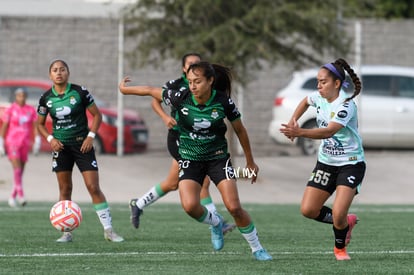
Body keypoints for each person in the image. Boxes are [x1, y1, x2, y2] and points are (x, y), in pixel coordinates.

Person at [119, 61, 272, 261]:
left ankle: (257, 248)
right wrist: (124, 90)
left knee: (234, 207)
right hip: (190, 159)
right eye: (190, 81)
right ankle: (216, 223)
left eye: (197, 81)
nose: (192, 86)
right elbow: (150, 91)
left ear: (210, 81)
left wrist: (250, 162)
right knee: (190, 206)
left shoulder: (223, 101)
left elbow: (240, 130)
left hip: (217, 158)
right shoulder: (180, 96)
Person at [128, 53, 235, 234]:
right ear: (184, 69)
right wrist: (165, 117)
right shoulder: (175, 86)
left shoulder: (207, 86)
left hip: (199, 141)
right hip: (179, 138)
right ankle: (218, 223)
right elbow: (155, 100)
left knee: (172, 183)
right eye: (190, 64)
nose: (194, 67)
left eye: (197, 64)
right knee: (203, 182)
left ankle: (138, 203)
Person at [279, 58, 366, 261]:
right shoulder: (319, 97)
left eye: (323, 82)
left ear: (337, 83)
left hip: (350, 164)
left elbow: (328, 131)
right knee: (308, 210)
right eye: (318, 81)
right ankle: (346, 222)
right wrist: (294, 120)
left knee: (338, 212)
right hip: (326, 163)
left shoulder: (346, 105)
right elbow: (305, 101)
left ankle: (339, 249)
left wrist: (299, 132)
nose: (319, 86)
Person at [37, 59, 124, 243]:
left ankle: (109, 231)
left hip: (82, 145)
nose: (59, 72)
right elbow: (39, 124)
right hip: (61, 148)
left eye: (62, 69)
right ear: (50, 75)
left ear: (68, 73)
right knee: (65, 189)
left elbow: (97, 115)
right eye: (55, 70)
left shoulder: (79, 92)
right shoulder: (46, 98)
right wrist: (51, 139)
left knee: (93, 187)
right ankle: (66, 232)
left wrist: (91, 136)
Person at [0, 88, 40, 207]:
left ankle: (12, 196)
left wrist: (37, 140)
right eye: (19, 96)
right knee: (16, 168)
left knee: (20, 171)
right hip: (12, 141)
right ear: (16, 97)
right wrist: (1, 142)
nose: (21, 98)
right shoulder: (11, 109)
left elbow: (35, 126)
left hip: (24, 142)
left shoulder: (30, 110)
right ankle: (21, 195)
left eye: (23, 96)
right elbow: (5, 126)